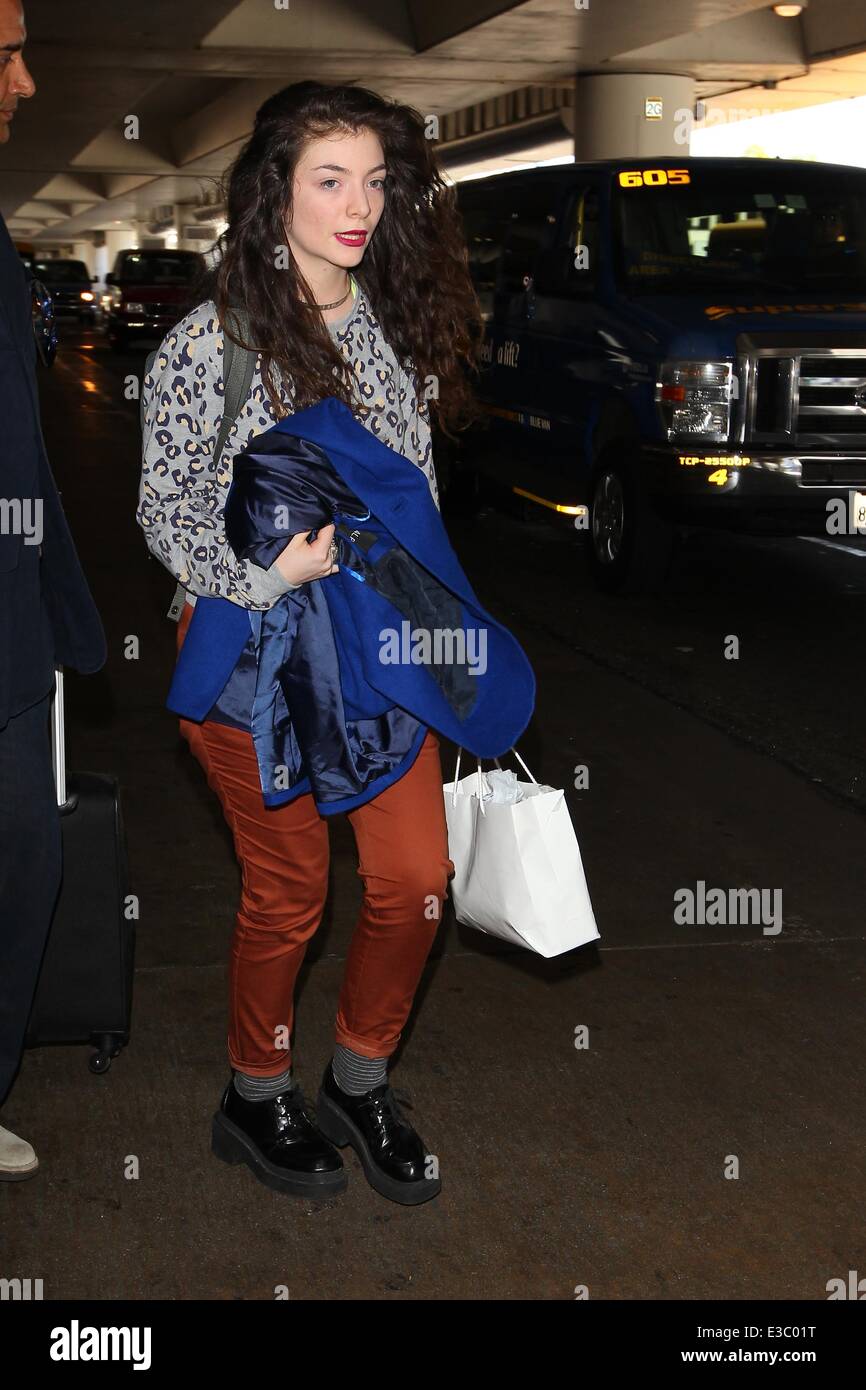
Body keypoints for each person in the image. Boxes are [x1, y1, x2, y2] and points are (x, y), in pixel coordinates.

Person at [138, 81, 483, 1205]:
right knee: (286, 892)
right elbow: (163, 505)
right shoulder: (209, 342)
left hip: (377, 645)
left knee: (415, 881)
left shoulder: (395, 331)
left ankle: (359, 1077)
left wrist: (446, 646)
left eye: (375, 182)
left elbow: (417, 502)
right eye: (329, 180)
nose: (359, 206)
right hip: (251, 648)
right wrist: (261, 570)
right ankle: (253, 1090)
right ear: (271, 191)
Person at [0, 0, 107, 1179]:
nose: (26, 83)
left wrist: (64, 613)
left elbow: (23, 443)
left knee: (28, 861)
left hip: (15, 638)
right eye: (6, 55)